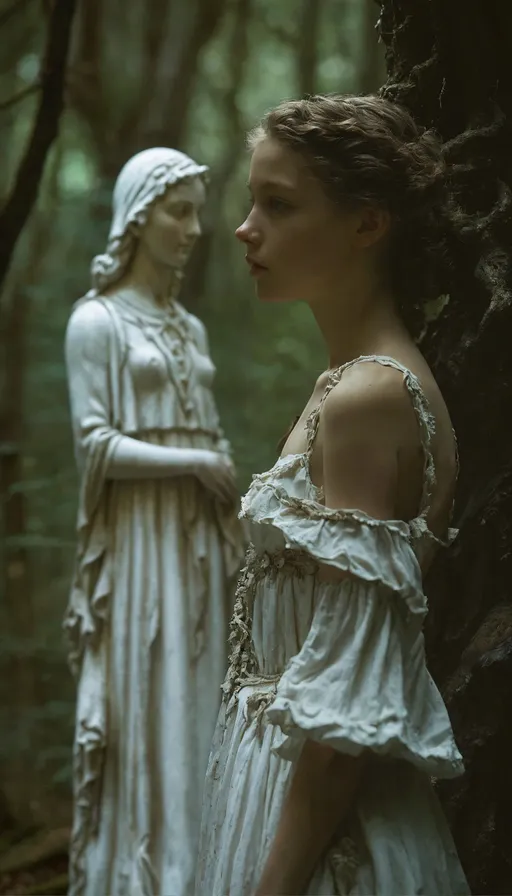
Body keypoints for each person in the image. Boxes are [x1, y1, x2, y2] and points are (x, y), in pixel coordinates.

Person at [195, 96, 470, 895]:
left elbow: (345, 713)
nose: (247, 229)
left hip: (325, 840)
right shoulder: (347, 386)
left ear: (367, 225)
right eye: (254, 202)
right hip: (277, 790)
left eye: (278, 205)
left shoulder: (369, 399)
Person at [63, 147, 245, 896]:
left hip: (201, 541)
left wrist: (224, 473)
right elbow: (95, 444)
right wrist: (194, 464)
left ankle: (207, 868)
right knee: (151, 700)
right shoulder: (96, 323)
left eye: (199, 210)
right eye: (179, 210)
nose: (195, 227)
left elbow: (206, 430)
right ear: (137, 218)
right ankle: (146, 875)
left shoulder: (190, 330)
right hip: (139, 546)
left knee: (203, 696)